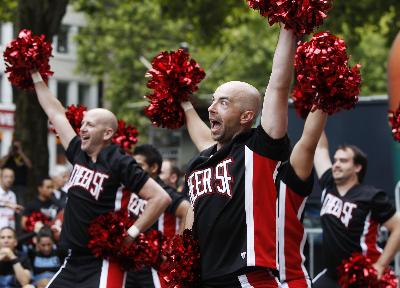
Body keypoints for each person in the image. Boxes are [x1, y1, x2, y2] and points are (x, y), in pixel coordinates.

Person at [30, 71, 171, 287]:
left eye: (90, 125)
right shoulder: (78, 151)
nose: (82, 128)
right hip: (72, 259)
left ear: (106, 134)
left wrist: (131, 234)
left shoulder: (119, 161)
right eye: (83, 123)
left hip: (104, 262)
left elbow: (160, 198)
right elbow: (54, 111)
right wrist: (35, 75)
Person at [181, 26, 296, 287]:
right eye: (212, 100)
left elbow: (278, 85)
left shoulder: (259, 149)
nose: (211, 108)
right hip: (204, 278)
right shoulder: (200, 162)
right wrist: (184, 101)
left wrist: (289, 27)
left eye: (223, 102)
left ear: (246, 116)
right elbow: (193, 213)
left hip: (247, 278)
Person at [312, 132, 400, 287]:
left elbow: (398, 226)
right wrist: (314, 109)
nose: (336, 164)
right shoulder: (329, 184)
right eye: (335, 160)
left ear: (357, 167)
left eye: (343, 161)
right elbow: (319, 148)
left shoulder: (371, 196)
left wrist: (380, 265)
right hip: (332, 275)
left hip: (361, 276)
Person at [126, 144, 191, 288]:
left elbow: (188, 211)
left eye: (139, 165)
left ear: (153, 168)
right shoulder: (134, 188)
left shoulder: (164, 191)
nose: (134, 170)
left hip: (154, 265)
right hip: (132, 262)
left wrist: (175, 249)